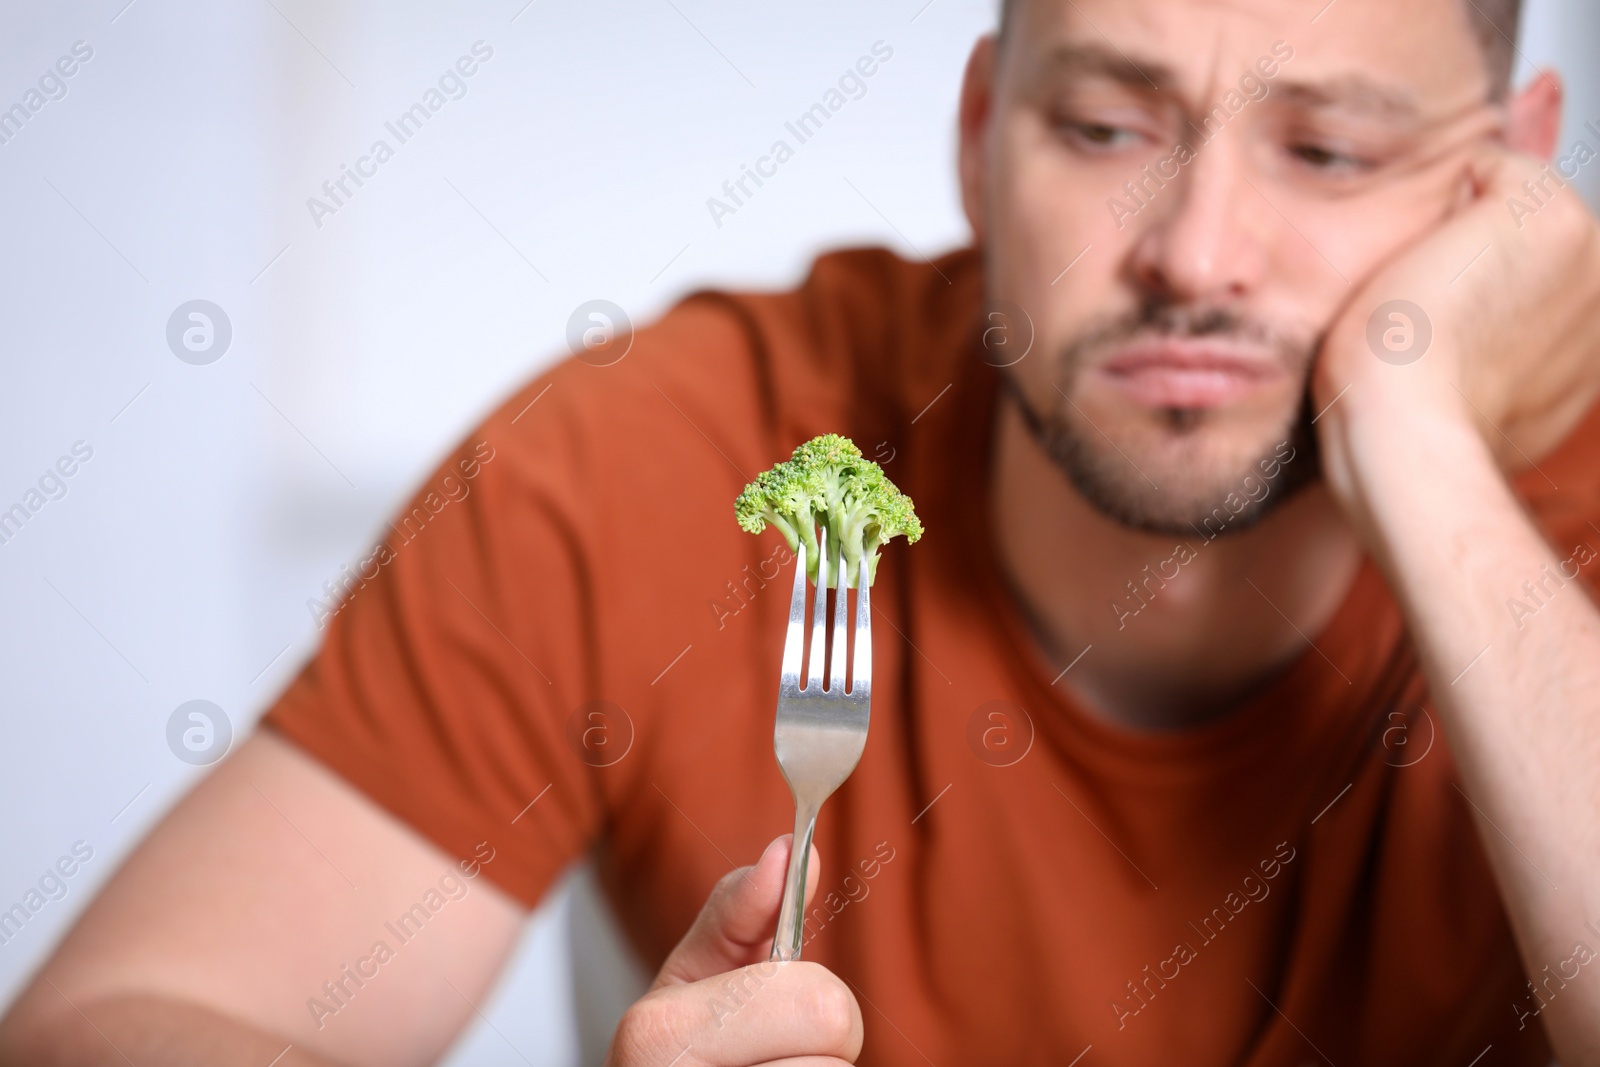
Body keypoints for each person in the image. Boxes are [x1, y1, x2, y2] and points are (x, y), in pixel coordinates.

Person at [5, 0, 1600, 1062]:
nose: (1197, 253)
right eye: (1109, 130)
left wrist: (1415, 430)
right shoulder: (666, 453)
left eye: (1327, 151)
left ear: (1512, 176)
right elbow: (122, 1022)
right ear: (980, 131)